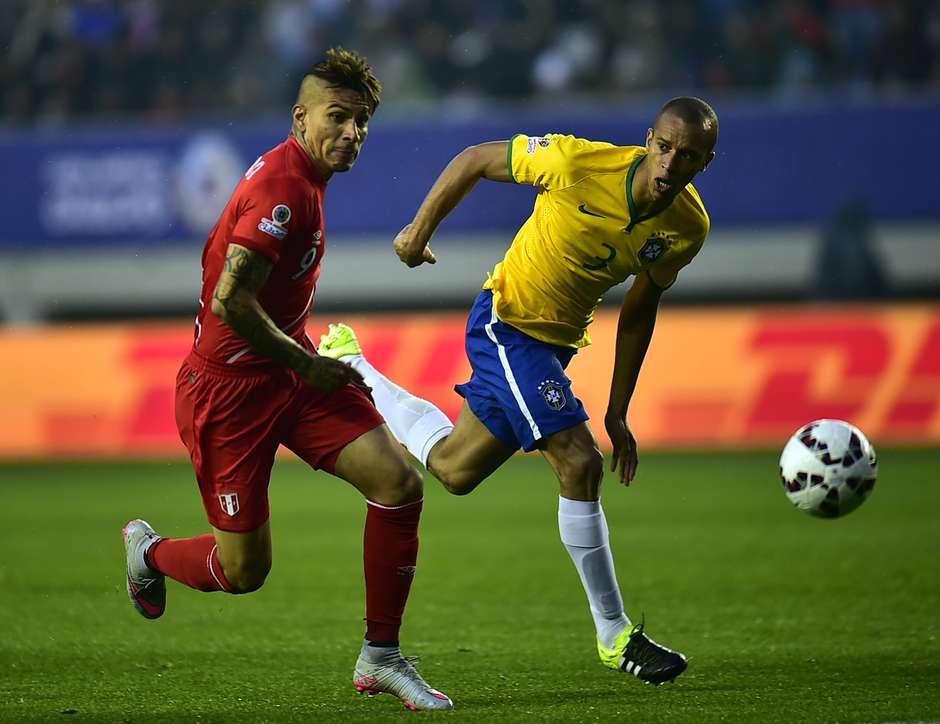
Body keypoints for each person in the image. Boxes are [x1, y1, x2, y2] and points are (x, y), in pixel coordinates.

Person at [319, 97, 719, 685]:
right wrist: (416, 230)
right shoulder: (577, 163)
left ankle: (355, 369)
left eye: (687, 157)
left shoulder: (687, 227)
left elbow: (639, 311)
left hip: (554, 348)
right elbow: (476, 158)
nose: (669, 165)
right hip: (507, 325)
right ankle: (615, 634)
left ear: (704, 162)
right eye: (663, 148)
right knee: (579, 463)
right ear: (648, 140)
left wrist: (618, 409)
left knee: (455, 470)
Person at [121, 48, 452, 712]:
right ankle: (150, 553)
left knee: (398, 481)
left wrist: (299, 361)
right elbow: (231, 300)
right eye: (338, 117)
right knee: (244, 572)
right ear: (301, 118)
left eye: (362, 122)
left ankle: (380, 657)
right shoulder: (283, 190)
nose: (352, 133)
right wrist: (305, 363)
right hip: (230, 395)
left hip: (286, 370)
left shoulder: (306, 180)